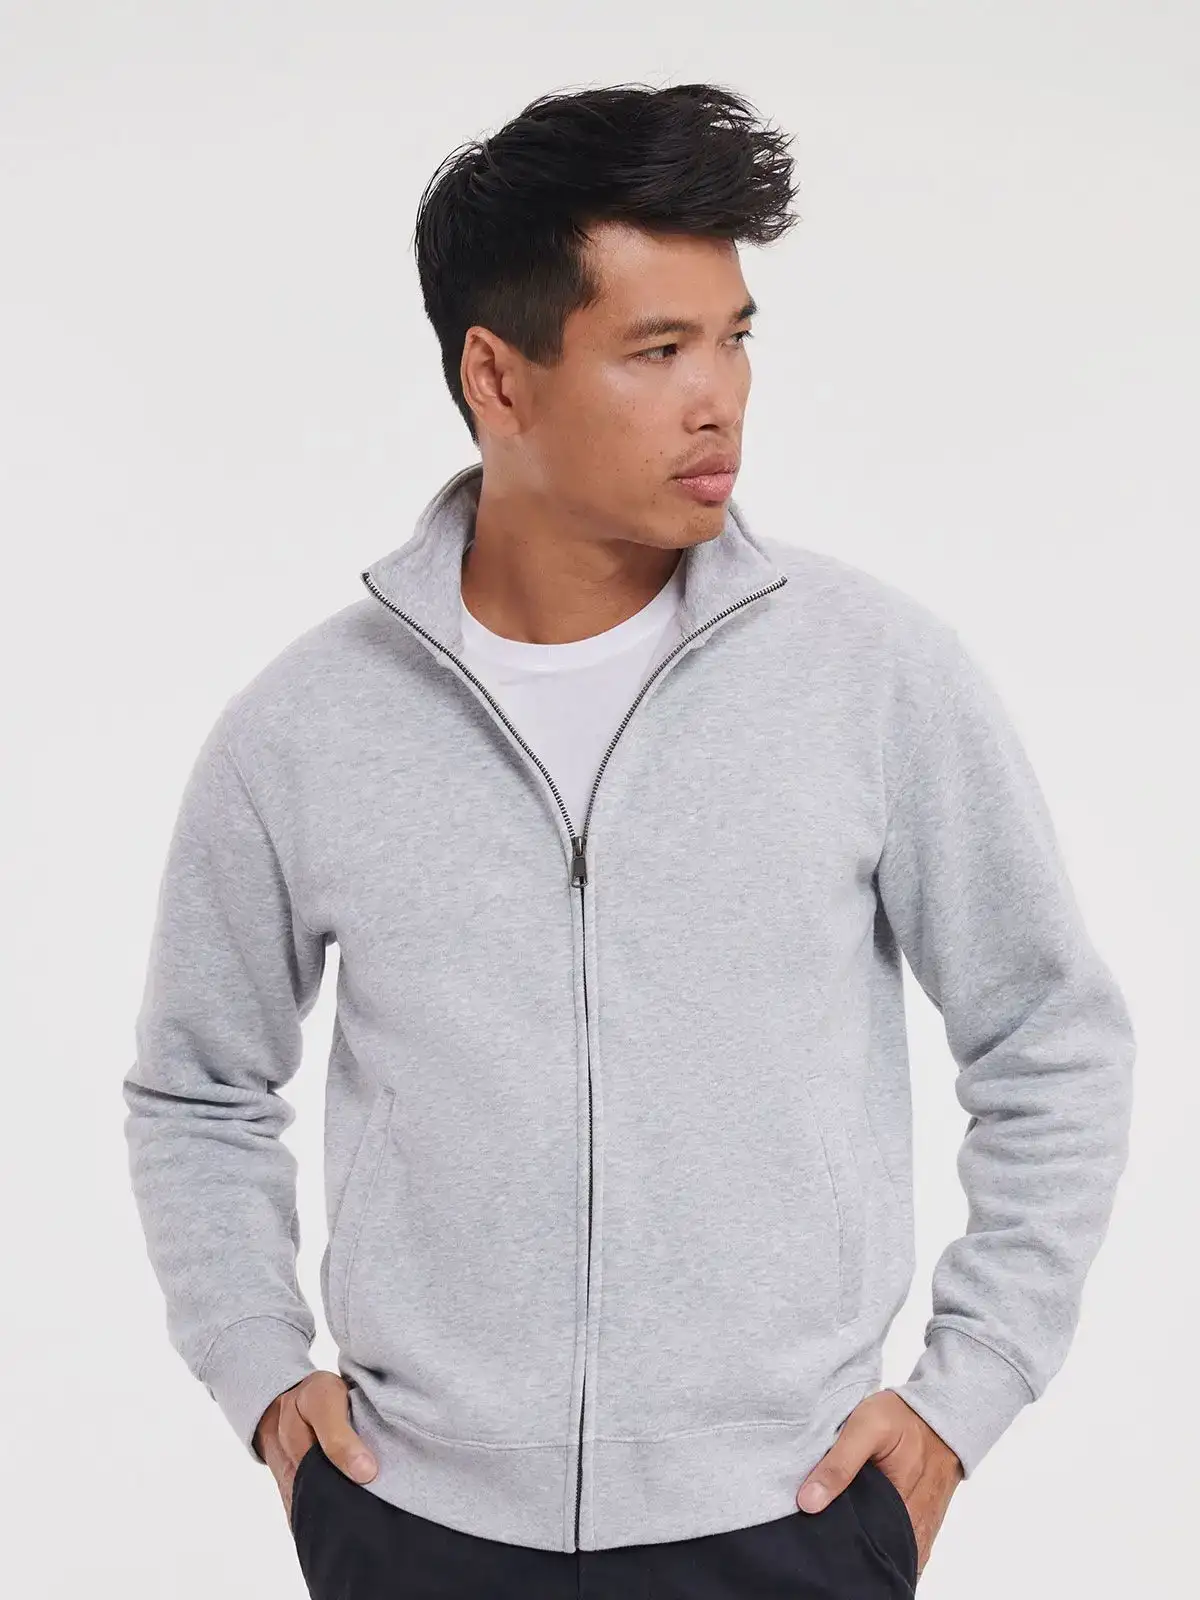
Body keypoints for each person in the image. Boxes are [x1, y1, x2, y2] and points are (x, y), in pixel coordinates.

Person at [123, 82, 1135, 1598]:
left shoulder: (874, 678)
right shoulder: (309, 727)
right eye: (658, 351)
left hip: (791, 1514)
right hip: (415, 1521)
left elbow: (1051, 1036)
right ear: (498, 376)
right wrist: (263, 1376)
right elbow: (198, 1088)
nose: (718, 397)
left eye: (735, 339)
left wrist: (965, 1393)